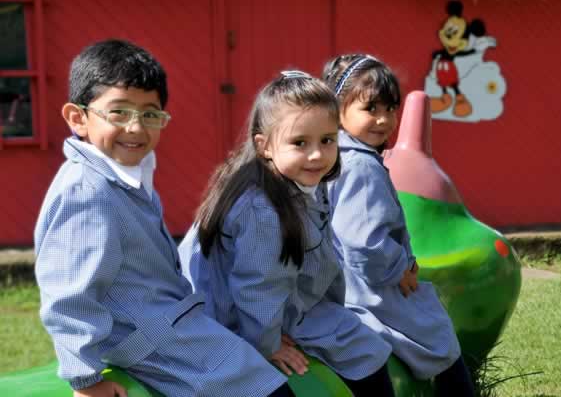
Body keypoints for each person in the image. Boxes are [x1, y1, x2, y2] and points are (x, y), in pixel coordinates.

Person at [34, 39, 292, 397]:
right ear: (78, 118)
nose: (136, 128)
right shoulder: (87, 192)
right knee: (268, 391)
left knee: (259, 373)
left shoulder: (126, 175)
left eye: (150, 114)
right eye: (118, 112)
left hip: (168, 323)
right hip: (149, 341)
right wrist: (86, 380)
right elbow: (69, 294)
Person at [179, 70, 396, 397]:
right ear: (264, 146)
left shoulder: (303, 181)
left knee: (366, 345)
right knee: (366, 352)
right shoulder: (262, 210)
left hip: (285, 303)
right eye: (299, 143)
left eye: (327, 140)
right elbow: (256, 287)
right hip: (235, 317)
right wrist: (266, 343)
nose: (316, 154)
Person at [323, 54, 475, 397]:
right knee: (439, 336)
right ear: (338, 109)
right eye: (370, 108)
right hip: (371, 289)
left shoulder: (334, 156)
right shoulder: (361, 166)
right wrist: (400, 268)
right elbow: (365, 243)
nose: (383, 119)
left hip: (342, 284)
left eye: (391, 108)